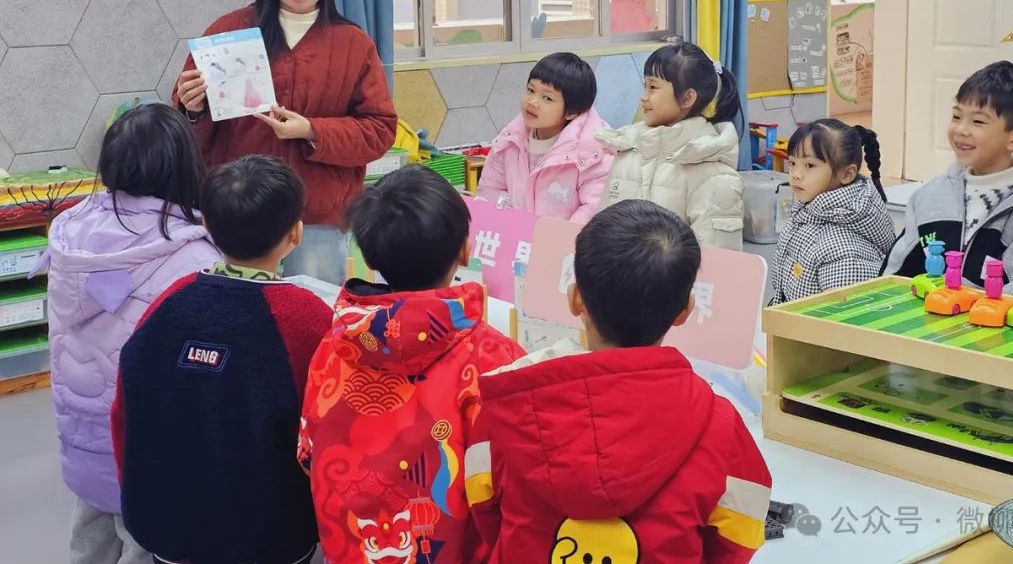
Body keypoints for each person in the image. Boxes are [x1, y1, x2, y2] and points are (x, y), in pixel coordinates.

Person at [468, 200, 772, 563]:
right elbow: (739, 536)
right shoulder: (719, 425)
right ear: (684, 311)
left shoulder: (508, 405)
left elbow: (484, 508)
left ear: (575, 299)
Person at [112, 155, 332, 564]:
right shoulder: (309, 319)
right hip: (272, 535)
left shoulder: (167, 304)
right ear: (296, 232)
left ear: (208, 229)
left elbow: (125, 414)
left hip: (171, 527)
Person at [298, 165, 523, 564]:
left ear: (369, 257)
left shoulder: (334, 346)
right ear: (465, 250)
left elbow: (307, 453)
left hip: (354, 550)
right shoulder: (495, 358)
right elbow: (510, 483)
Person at [173, 0, 397, 285]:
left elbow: (379, 130)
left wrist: (311, 131)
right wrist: (192, 109)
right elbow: (186, 136)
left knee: (313, 311)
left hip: (316, 220)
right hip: (237, 214)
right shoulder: (227, 33)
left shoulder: (353, 44)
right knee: (239, 312)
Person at [39, 104, 219, 564]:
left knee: (89, 539)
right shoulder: (192, 253)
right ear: (185, 164)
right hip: (144, 449)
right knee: (145, 544)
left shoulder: (71, 230)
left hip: (81, 434)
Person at [882, 61, 1013, 294]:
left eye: (977, 121)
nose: (961, 130)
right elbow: (894, 275)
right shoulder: (929, 198)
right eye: (956, 116)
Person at [597, 41, 744, 250]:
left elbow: (716, 259)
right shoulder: (627, 152)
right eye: (644, 86)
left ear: (687, 98)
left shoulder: (714, 174)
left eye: (653, 87)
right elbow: (601, 234)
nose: (643, 97)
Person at [476, 52, 613, 223]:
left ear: (572, 112)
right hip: (515, 237)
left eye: (547, 98)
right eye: (531, 90)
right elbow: (489, 192)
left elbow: (593, 210)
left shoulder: (592, 153)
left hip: (566, 239)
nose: (532, 102)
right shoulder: (509, 141)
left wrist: (554, 238)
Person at [771, 119, 894, 304]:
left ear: (846, 174)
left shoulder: (844, 252)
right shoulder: (808, 211)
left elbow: (841, 316)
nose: (795, 174)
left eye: (809, 165)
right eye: (793, 163)